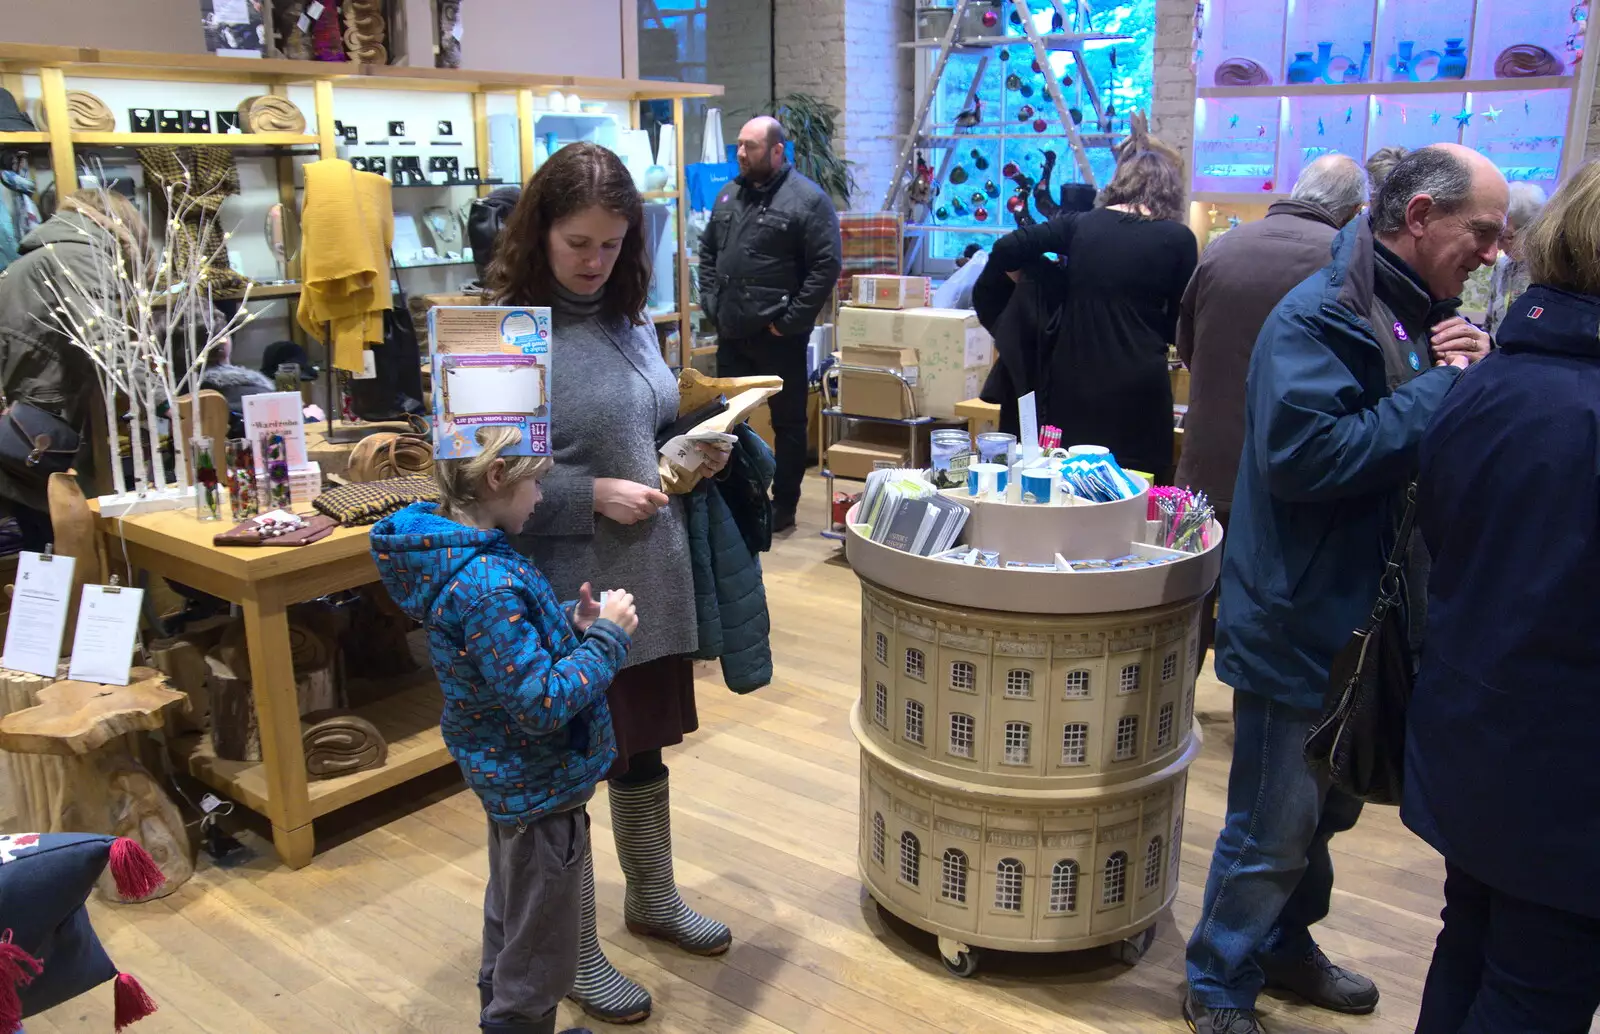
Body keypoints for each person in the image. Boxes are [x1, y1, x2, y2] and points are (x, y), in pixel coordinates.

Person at [1183, 144, 1504, 1034]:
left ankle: (1284, 948)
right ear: (1419, 218)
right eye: (1480, 232)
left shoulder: (1409, 309)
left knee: (1327, 809)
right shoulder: (1320, 314)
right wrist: (1444, 392)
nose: (1491, 252)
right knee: (1272, 822)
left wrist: (1470, 377)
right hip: (1300, 616)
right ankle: (1216, 980)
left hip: (1363, 621)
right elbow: (1304, 456)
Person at [488, 142, 733, 1025]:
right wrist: (586, 493)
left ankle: (653, 901)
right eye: (578, 243)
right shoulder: (503, 334)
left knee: (640, 752)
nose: (595, 262)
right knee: (565, 782)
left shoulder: (626, 317)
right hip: (564, 593)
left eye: (612, 244)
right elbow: (470, 483)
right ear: (539, 233)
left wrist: (685, 457)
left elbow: (641, 422)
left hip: (645, 584)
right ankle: (574, 951)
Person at [1405, 160, 1600, 1033]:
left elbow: (1444, 538)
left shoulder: (1488, 382)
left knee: (1471, 941)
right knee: (1535, 983)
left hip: (1474, 726)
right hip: (1566, 767)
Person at [372, 427, 638, 1034]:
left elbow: (504, 665)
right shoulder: (488, 583)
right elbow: (541, 703)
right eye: (536, 482)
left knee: (514, 920)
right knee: (541, 950)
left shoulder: (466, 561)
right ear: (497, 480)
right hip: (538, 785)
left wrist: (566, 625)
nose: (542, 496)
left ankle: (505, 1013)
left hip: (510, 780)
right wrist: (607, 639)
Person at [1176, 153, 1369, 657]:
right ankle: (1254, 736)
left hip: (1206, 461)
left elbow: (1189, 349)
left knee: (1188, 603)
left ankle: (1173, 721)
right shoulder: (1346, 260)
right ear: (1352, 212)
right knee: (1266, 623)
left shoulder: (1223, 247)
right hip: (1284, 471)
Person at [987, 147, 1197, 480]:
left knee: (1072, 484)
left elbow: (1005, 250)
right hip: (1140, 383)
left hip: (1075, 379)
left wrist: (1045, 283)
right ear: (1169, 192)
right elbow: (1181, 322)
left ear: (1120, 183)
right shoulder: (1178, 239)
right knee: (1137, 486)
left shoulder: (1081, 225)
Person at [700, 115, 841, 533]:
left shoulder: (808, 200)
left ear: (778, 150)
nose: (741, 154)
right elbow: (707, 255)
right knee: (725, 422)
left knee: (789, 424)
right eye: (739, 146)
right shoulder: (728, 196)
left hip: (777, 337)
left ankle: (785, 507)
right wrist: (711, 304)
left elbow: (826, 266)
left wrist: (791, 322)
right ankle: (734, 497)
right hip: (732, 332)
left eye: (751, 146)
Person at [0, 188, 146, 550]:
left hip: (23, 425)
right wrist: (167, 404)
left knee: (49, 554)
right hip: (44, 427)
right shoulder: (78, 253)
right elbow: (106, 344)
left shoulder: (44, 254)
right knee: (83, 551)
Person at [1483, 181, 1547, 336]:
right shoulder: (1502, 265)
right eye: (1497, 236)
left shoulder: (1547, 273)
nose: (1498, 247)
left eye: (1507, 237)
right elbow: (1490, 321)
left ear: (1532, 231)